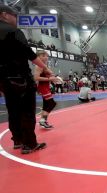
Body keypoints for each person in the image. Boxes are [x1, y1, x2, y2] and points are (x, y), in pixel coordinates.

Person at [0, 5, 51, 153]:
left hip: (4, 80)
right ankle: (29, 144)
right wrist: (46, 68)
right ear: (4, 15)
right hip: (20, 77)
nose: (16, 19)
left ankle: (17, 140)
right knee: (27, 112)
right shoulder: (13, 31)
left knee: (13, 110)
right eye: (14, 16)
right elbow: (29, 53)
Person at [34, 51, 59, 129]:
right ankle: (42, 120)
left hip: (45, 87)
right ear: (38, 57)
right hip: (43, 87)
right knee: (51, 103)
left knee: (46, 104)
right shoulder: (39, 66)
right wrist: (49, 78)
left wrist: (52, 78)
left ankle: (43, 121)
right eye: (43, 55)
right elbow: (36, 78)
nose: (46, 57)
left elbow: (50, 74)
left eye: (47, 56)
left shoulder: (43, 66)